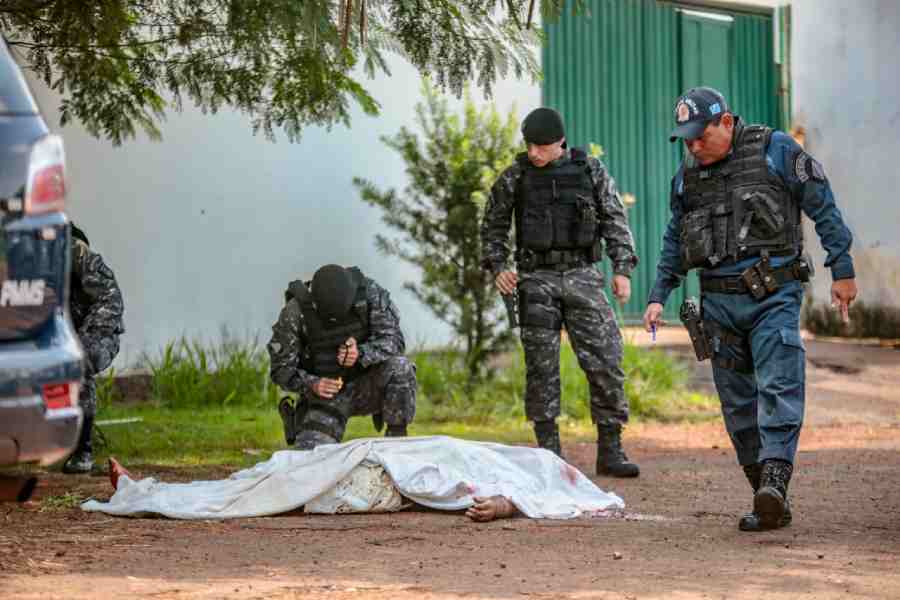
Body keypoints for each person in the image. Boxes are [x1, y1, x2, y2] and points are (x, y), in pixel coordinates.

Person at [643, 87, 858, 531]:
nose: (693, 146)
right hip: (718, 304)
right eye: (685, 139)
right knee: (736, 402)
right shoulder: (687, 176)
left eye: (700, 135)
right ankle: (764, 495)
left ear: (725, 122)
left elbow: (823, 204)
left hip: (771, 295)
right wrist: (657, 294)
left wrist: (843, 268)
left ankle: (776, 483)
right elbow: (674, 239)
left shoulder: (775, 149)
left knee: (779, 384)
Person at [480, 107, 640, 478]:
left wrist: (622, 269)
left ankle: (611, 449)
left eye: (543, 146)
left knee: (606, 361)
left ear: (560, 143)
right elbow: (493, 226)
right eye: (530, 145)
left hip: (583, 275)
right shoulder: (516, 176)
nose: (535, 152)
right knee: (541, 370)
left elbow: (614, 218)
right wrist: (499, 266)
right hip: (536, 279)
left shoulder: (590, 170)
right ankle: (548, 454)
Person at [267, 264, 416, 449]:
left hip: (366, 385)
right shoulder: (295, 312)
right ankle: (303, 427)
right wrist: (312, 383)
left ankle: (397, 437)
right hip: (324, 398)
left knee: (400, 366)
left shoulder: (370, 295)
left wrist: (361, 353)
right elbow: (280, 369)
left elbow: (394, 341)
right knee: (309, 461)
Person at [62, 223, 125, 474]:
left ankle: (83, 450)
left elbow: (110, 298)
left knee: (79, 361)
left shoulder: (74, 250)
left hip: (98, 331)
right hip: (57, 335)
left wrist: (80, 339)